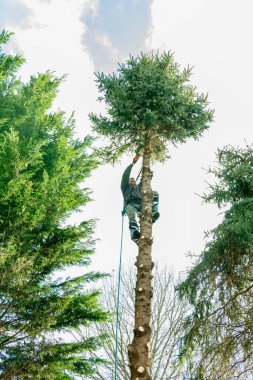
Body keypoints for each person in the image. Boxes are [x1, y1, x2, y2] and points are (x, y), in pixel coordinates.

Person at [121, 154, 160, 242]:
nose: (132, 180)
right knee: (132, 215)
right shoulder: (125, 187)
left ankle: (153, 213)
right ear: (128, 182)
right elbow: (125, 175)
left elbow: (145, 180)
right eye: (130, 179)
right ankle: (134, 234)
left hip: (141, 204)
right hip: (131, 204)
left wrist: (148, 173)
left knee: (155, 193)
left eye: (133, 179)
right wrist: (133, 163)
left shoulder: (139, 187)